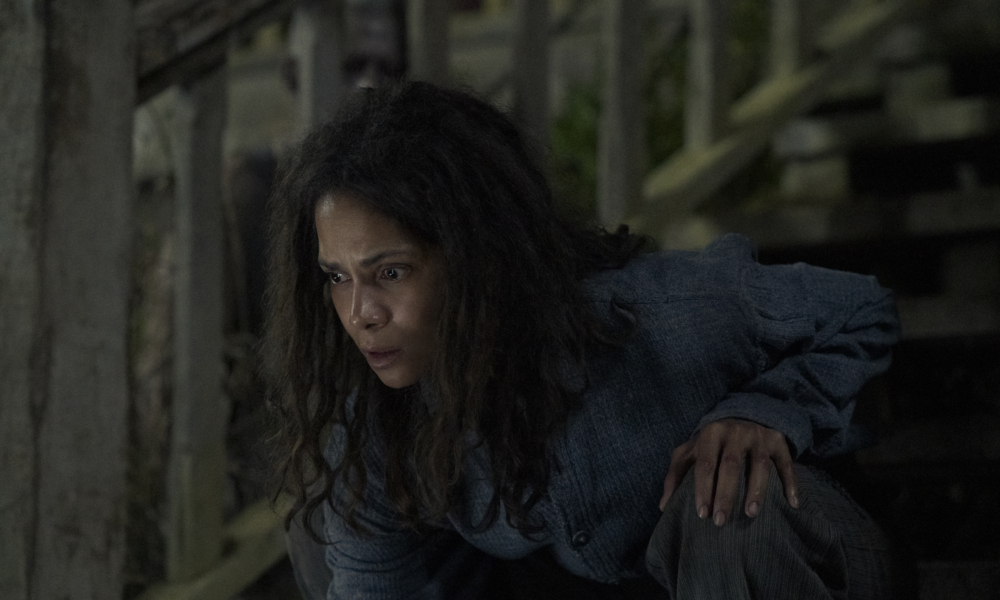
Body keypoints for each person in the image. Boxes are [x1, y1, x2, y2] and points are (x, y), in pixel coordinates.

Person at [264, 81, 902, 599]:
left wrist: (768, 410)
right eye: (337, 277)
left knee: (729, 504)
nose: (360, 313)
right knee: (329, 511)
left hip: (796, 562)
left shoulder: (662, 315)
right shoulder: (380, 415)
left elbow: (860, 308)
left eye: (391, 272)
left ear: (476, 257)